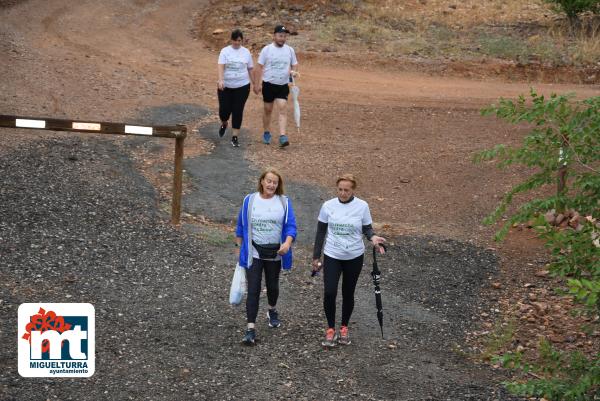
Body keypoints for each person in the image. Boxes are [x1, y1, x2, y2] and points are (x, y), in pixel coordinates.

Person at [311, 174, 386, 347]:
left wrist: (373, 238)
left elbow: (367, 228)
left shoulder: (362, 206)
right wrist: (316, 256)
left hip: (354, 256)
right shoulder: (328, 206)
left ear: (353, 190)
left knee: (348, 292)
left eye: (347, 190)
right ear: (337, 189)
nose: (343, 193)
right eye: (340, 190)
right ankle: (330, 329)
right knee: (330, 292)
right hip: (332, 255)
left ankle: (344, 327)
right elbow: (320, 231)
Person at [235, 168, 297, 345]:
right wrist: (238, 247)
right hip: (253, 253)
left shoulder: (283, 202)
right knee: (253, 289)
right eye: (268, 181)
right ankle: (250, 329)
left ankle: (272, 309)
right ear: (262, 181)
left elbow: (291, 226)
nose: (271, 184)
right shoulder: (249, 200)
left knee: (272, 286)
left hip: (275, 254)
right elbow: (240, 225)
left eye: (274, 182)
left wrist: (287, 243)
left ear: (278, 185)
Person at [254, 25, 299, 148]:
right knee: (268, 109)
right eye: (280, 36)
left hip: (282, 85)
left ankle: (282, 136)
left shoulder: (290, 50)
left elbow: (294, 64)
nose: (282, 38)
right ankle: (267, 131)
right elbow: (259, 67)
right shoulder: (267, 50)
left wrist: (293, 72)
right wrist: (256, 85)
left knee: (282, 107)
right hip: (268, 84)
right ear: (274, 36)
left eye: (284, 36)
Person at [217, 29, 254, 147]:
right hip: (226, 86)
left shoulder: (246, 52)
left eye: (239, 40)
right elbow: (221, 66)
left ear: (242, 40)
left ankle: (234, 136)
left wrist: (255, 84)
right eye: (235, 40)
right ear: (231, 40)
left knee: (238, 110)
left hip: (242, 86)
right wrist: (221, 79)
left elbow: (250, 69)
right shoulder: (225, 51)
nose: (237, 43)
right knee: (224, 110)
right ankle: (224, 123)